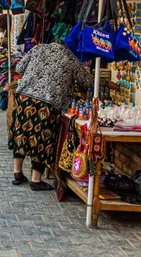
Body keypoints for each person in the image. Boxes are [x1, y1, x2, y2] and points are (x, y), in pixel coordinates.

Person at [9, 42, 93, 191]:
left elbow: (19, 68)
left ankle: (17, 173)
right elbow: (86, 81)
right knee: (41, 138)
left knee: (21, 134)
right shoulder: (70, 57)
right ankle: (36, 180)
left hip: (24, 98)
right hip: (48, 103)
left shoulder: (38, 48)